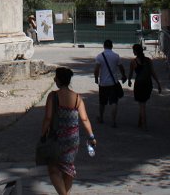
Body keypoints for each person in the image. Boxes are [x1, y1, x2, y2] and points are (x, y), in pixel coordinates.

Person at [40, 66, 95, 195]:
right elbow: (85, 119)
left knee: (53, 169)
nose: (54, 79)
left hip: (57, 137)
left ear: (59, 80)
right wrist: (91, 136)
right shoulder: (77, 97)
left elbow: (48, 118)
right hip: (73, 138)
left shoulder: (53, 96)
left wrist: (43, 133)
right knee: (68, 168)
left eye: (55, 77)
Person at [127, 43, 162, 129]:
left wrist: (129, 81)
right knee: (142, 103)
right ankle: (140, 122)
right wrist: (158, 83)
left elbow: (130, 73)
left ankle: (144, 124)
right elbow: (153, 73)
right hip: (148, 83)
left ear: (135, 51)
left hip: (139, 84)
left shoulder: (133, 62)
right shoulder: (148, 60)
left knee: (142, 105)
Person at [93, 39, 126, 127]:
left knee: (102, 102)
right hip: (113, 82)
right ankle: (114, 121)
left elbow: (96, 70)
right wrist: (123, 76)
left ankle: (101, 118)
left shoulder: (99, 56)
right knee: (114, 102)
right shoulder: (116, 56)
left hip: (103, 83)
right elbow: (121, 67)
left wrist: (96, 79)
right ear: (112, 46)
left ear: (104, 46)